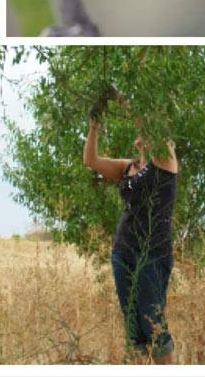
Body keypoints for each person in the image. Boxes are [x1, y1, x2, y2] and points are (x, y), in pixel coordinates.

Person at [83, 111, 178, 364]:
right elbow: (91, 160)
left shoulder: (165, 162)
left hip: (152, 252)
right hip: (123, 251)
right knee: (134, 327)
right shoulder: (128, 167)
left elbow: (152, 127)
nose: (141, 132)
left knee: (153, 322)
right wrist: (94, 126)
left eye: (148, 130)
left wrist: (124, 99)